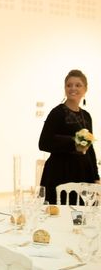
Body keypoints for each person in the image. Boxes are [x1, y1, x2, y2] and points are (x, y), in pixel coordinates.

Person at [39, 69, 100, 204]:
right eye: (69, 85)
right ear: (65, 88)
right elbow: (43, 143)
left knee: (81, 218)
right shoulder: (57, 113)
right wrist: (74, 142)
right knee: (58, 216)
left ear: (85, 89)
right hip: (60, 171)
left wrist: (96, 176)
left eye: (78, 85)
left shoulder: (86, 116)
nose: (73, 88)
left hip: (83, 172)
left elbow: (89, 147)